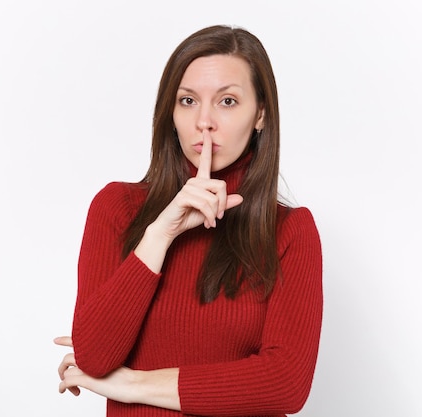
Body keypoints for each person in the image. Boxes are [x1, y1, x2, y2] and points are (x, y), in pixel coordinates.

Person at [54, 24, 323, 416]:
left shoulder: (289, 232)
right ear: (171, 112)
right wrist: (161, 233)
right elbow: (94, 358)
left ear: (260, 114)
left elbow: (286, 384)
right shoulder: (117, 208)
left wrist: (132, 384)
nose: (205, 121)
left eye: (227, 101)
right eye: (188, 101)